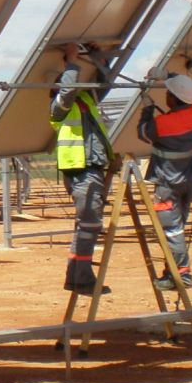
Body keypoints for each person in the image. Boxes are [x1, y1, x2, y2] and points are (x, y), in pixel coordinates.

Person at [50, 41, 116, 295]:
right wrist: (72, 61)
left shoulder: (87, 100)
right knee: (89, 225)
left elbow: (105, 84)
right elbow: (66, 93)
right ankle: (82, 279)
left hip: (92, 169)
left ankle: (77, 277)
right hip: (80, 170)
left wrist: (99, 58)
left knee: (87, 226)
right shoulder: (58, 109)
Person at [137, 74, 192, 289]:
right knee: (177, 231)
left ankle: (182, 276)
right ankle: (172, 272)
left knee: (172, 232)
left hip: (168, 187)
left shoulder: (163, 124)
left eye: (168, 93)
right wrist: (168, 76)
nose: (166, 95)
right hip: (188, 182)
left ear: (175, 99)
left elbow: (143, 132)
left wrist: (147, 108)